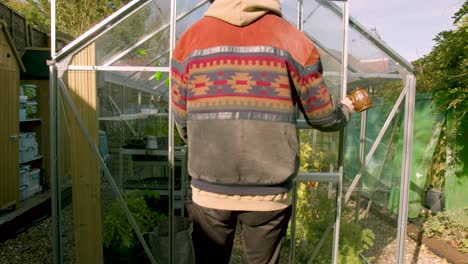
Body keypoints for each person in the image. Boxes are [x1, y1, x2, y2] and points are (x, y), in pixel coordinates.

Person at [170, 0, 355, 263]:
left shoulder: (190, 40)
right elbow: (323, 116)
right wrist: (346, 109)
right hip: (270, 194)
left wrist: (204, 145)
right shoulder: (292, 39)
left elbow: (182, 118)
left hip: (210, 188)